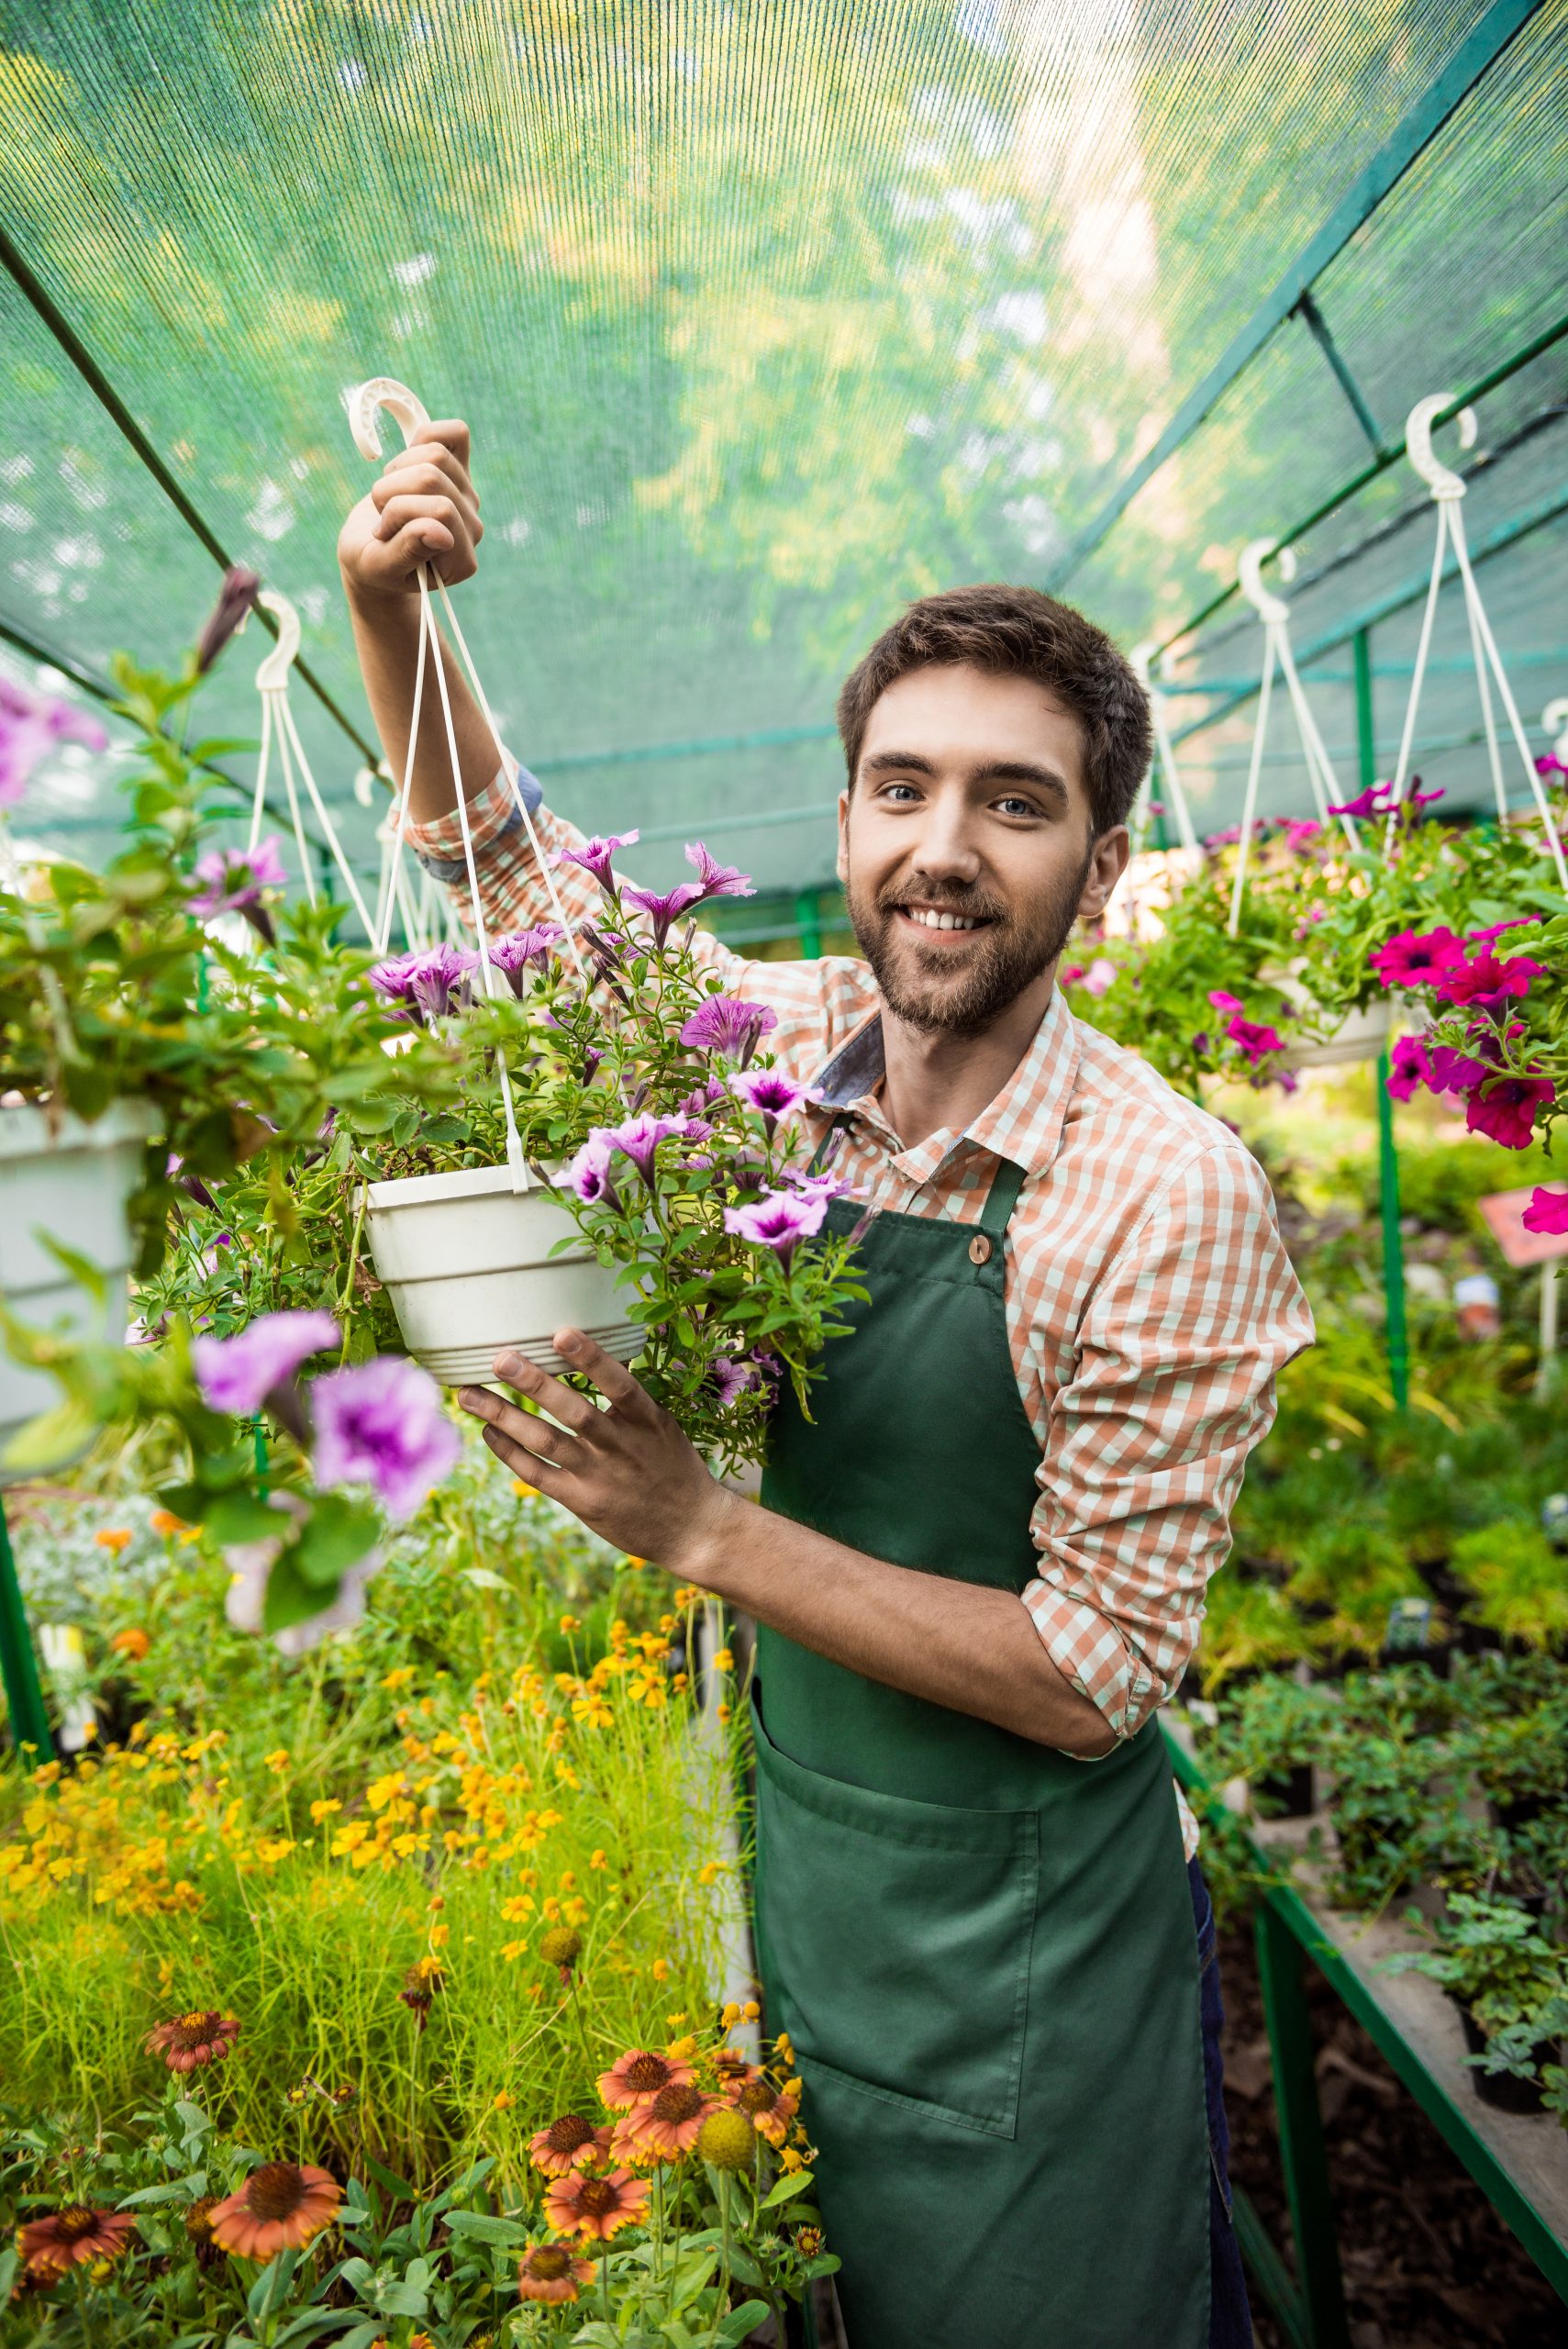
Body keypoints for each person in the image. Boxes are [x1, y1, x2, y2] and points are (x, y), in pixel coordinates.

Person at [339, 419, 1313, 2348]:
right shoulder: (772, 1063)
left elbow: (1091, 1667)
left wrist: (698, 1522)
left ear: (1099, 869)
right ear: (849, 823)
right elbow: (504, 876)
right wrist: (392, 609)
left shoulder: (1160, 1187)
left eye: (1014, 804)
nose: (944, 845)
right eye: (901, 787)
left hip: (1023, 1946)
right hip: (820, 1861)